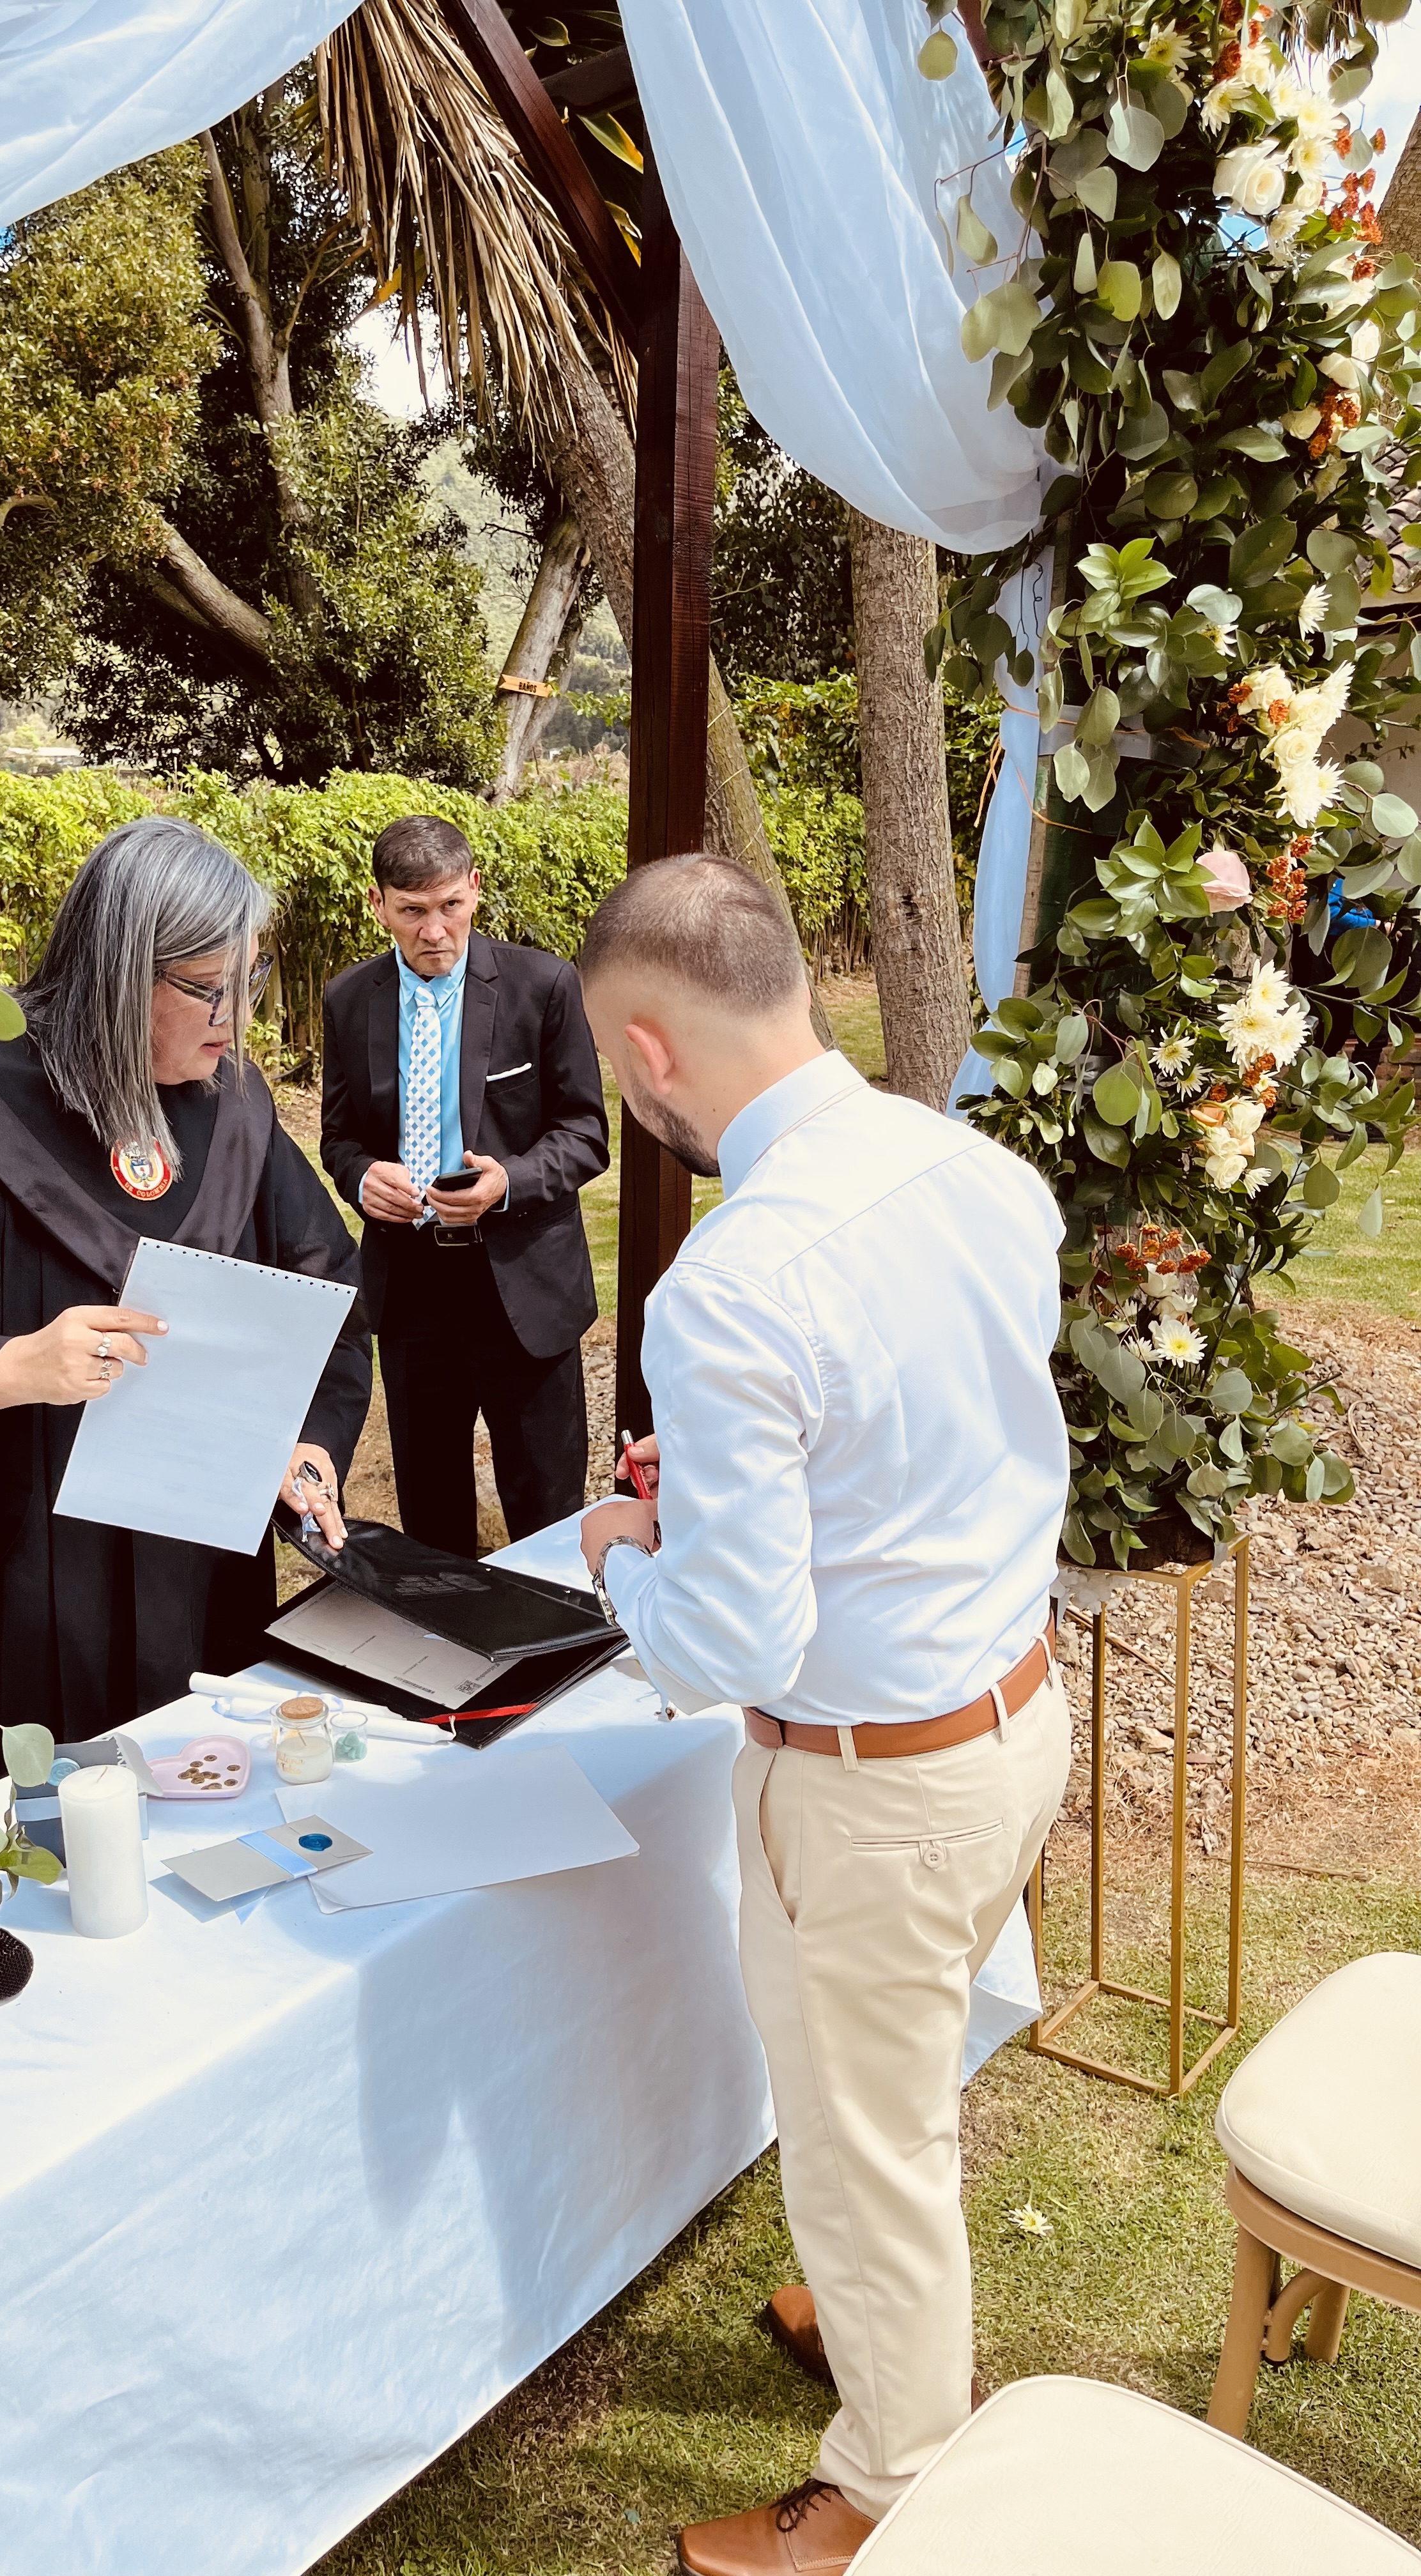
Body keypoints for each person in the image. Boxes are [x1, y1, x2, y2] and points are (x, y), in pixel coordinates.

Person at [574, 855, 1071, 2576]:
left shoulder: (727, 1285)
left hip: (874, 1781)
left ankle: (888, 2481)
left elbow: (725, 1640)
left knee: (865, 2119)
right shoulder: (978, 1169)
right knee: (896, 2081)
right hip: (1011, 1714)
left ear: (649, 1053)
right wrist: (717, 1491)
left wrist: (627, 1551)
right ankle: (880, 2311)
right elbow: (951, 1439)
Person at [0, 815, 371, 1767]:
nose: (236, 1021)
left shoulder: (233, 1108)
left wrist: (309, 1443)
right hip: (11, 1582)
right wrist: (9, 1364)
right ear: (123, 972)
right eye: (209, 991)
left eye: (247, 980)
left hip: (194, 1566)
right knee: (25, 1855)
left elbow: (327, 1289)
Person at [319, 813, 608, 1555]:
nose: (435, 930)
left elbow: (586, 1134)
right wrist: (360, 1179)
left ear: (475, 890)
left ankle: (556, 1655)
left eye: (450, 905)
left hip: (524, 1289)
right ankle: (447, 1663)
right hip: (412, 1290)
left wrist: (507, 1180)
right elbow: (340, 1138)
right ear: (378, 904)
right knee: (432, 1515)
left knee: (546, 1515)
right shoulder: (348, 1001)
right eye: (413, 911)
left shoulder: (543, 986)